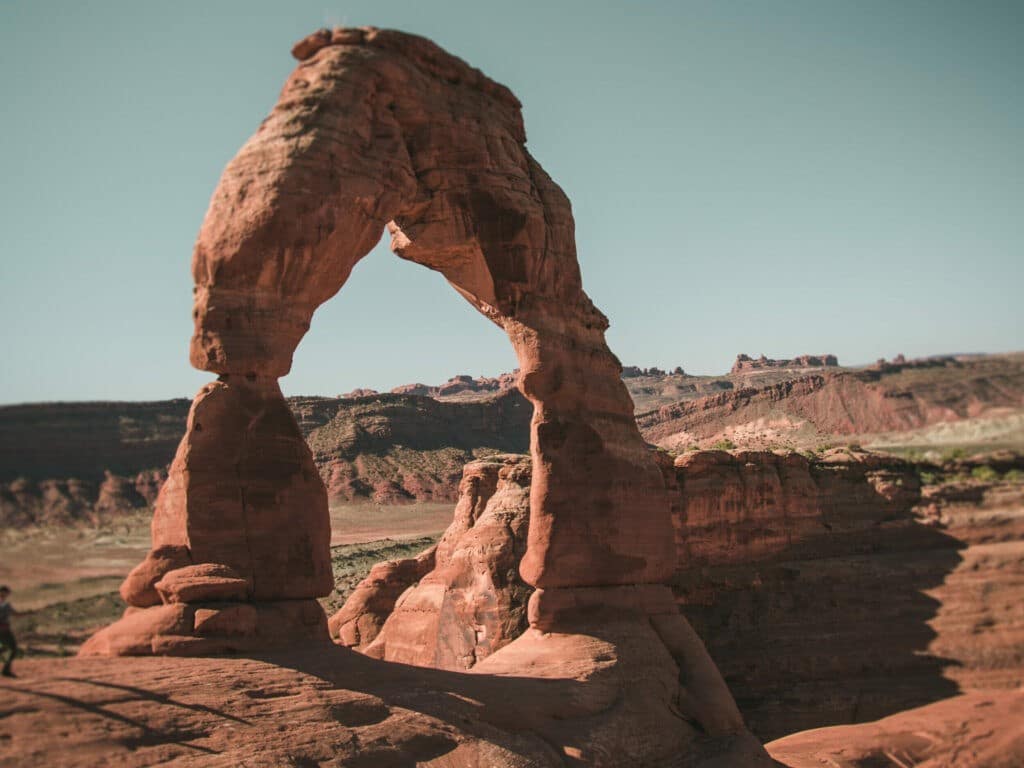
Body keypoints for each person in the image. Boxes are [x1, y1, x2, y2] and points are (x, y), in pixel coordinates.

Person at [0, 586, 19, 677]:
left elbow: (16, 614)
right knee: (12, 648)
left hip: (5, 631)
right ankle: (6, 670)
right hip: (3, 631)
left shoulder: (6, 605)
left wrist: (30, 613)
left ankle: (6, 669)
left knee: (11, 648)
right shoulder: (5, 605)